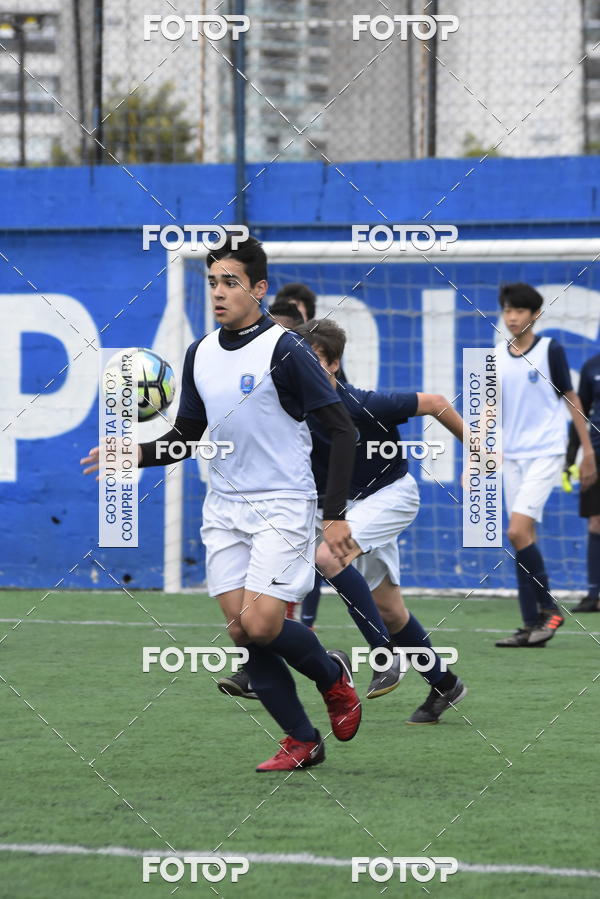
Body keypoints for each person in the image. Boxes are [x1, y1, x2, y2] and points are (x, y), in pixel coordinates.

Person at [81, 236, 362, 772]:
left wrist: (334, 513)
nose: (218, 292)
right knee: (240, 630)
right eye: (212, 281)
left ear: (259, 289)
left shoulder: (286, 349)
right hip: (224, 508)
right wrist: (134, 453)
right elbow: (187, 433)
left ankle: (333, 676)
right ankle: (301, 740)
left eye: (230, 282)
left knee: (260, 624)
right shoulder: (199, 354)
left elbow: (341, 429)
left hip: (282, 504)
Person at [295, 319, 468, 724]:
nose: (303, 369)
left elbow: (436, 401)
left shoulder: (360, 404)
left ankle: (383, 655)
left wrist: (478, 451)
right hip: (355, 509)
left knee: (328, 556)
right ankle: (445, 683)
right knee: (390, 610)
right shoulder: (296, 415)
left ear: (334, 364)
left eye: (313, 360)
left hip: (393, 496)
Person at [494, 283, 598, 647]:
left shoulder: (550, 349)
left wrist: (587, 453)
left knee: (516, 532)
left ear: (535, 315)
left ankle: (550, 609)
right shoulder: (496, 355)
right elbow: (491, 414)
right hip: (512, 458)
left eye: (519, 311)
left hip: (545, 453)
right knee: (523, 540)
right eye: (507, 310)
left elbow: (573, 401)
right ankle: (530, 626)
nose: (511, 317)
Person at [564, 351, 600, 612]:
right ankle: (594, 594)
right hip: (597, 455)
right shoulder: (592, 367)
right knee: (597, 523)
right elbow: (580, 413)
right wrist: (571, 457)